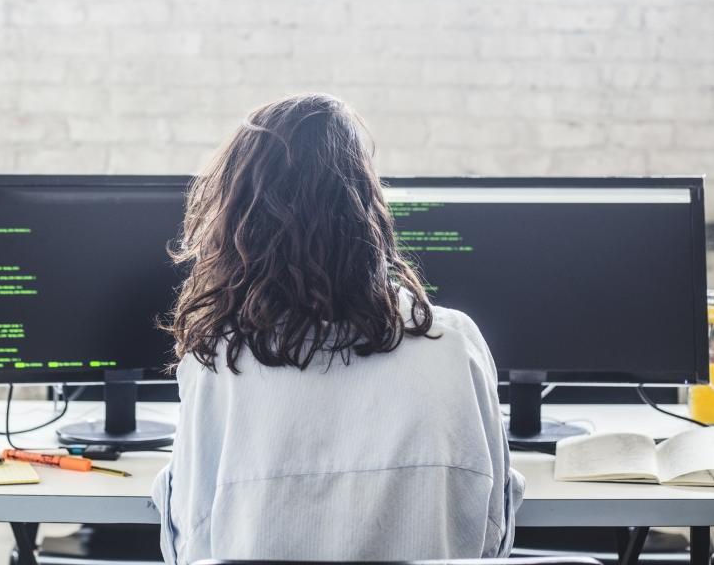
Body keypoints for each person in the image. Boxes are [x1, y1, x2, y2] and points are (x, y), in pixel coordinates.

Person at [153, 93, 523, 564]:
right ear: (367, 209)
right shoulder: (453, 343)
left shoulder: (219, 358)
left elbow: (190, 547)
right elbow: (492, 536)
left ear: (239, 220)